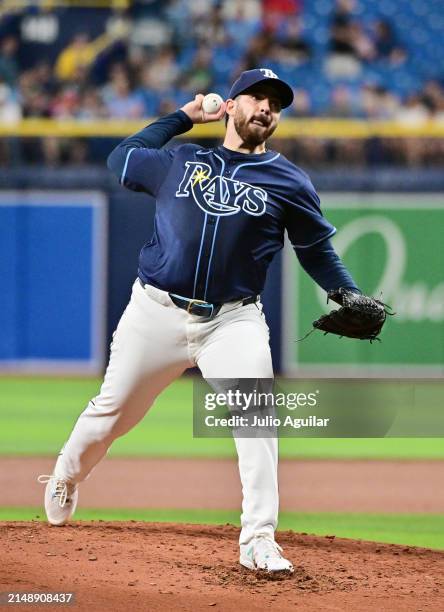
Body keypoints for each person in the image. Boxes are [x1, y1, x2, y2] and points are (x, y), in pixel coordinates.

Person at [38, 68, 359, 575]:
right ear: (229, 106)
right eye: (255, 97)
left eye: (275, 103)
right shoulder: (183, 160)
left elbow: (317, 250)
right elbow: (120, 159)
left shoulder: (288, 180)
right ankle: (66, 474)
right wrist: (182, 117)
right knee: (112, 413)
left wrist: (347, 292)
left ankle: (258, 538)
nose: (266, 108)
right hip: (155, 313)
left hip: (233, 321)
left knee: (256, 417)